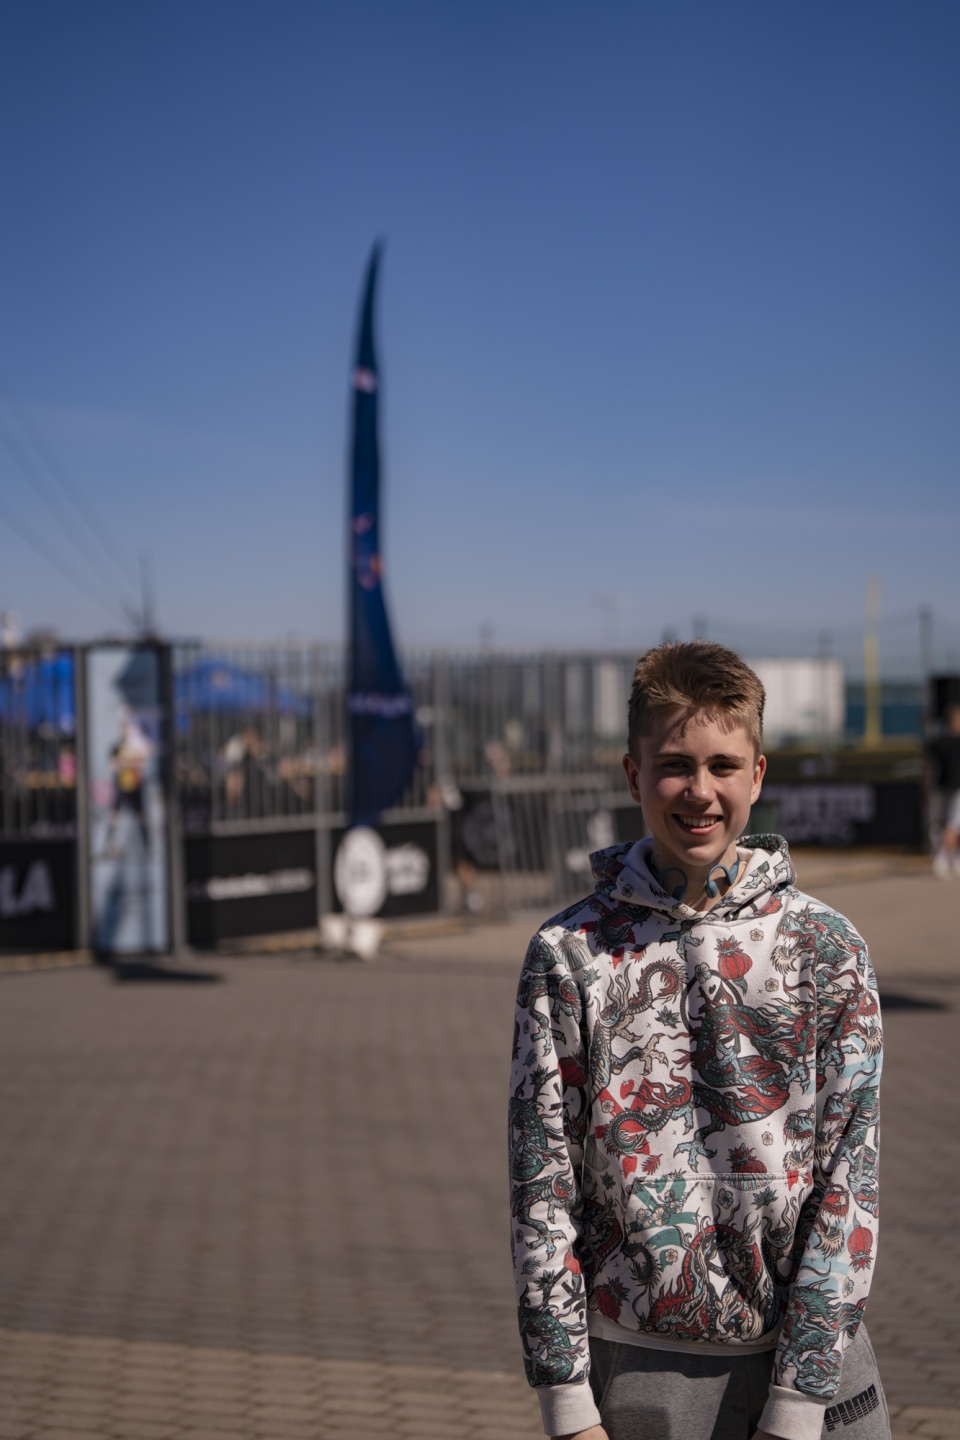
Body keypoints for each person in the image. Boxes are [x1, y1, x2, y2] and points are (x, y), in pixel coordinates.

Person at [509, 641, 886, 1440]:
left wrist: (799, 1403)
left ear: (758, 774)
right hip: (639, 1372)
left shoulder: (828, 949)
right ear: (632, 774)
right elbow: (542, 1183)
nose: (701, 790)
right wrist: (566, 1402)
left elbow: (848, 1184)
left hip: (814, 1375)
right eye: (675, 765)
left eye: (724, 765)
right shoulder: (567, 954)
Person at [926, 702, 960, 878]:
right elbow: (929, 766)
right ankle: (944, 858)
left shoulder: (940, 742)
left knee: (951, 824)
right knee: (945, 825)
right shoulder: (940, 743)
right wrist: (925, 786)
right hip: (944, 788)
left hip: (953, 789)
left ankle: (950, 858)